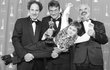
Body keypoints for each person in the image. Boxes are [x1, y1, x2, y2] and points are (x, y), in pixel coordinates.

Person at [1, 1, 51, 70]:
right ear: (29, 10)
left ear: (39, 11)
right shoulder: (20, 22)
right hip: (24, 62)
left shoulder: (43, 24)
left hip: (39, 63)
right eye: (32, 10)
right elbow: (15, 40)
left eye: (37, 10)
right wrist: (24, 55)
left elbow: (43, 43)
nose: (34, 12)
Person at [72, 4, 108, 70]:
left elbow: (105, 40)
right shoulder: (75, 26)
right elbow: (70, 39)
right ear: (79, 12)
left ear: (89, 10)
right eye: (80, 10)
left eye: (85, 9)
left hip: (96, 59)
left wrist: (94, 34)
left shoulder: (99, 24)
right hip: (80, 60)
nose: (83, 11)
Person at [41, 1, 73, 70]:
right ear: (48, 11)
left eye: (55, 10)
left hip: (65, 58)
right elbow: (41, 38)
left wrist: (63, 49)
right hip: (50, 58)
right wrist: (46, 34)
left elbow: (72, 38)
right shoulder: (45, 20)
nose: (53, 13)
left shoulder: (69, 20)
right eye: (51, 11)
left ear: (59, 10)